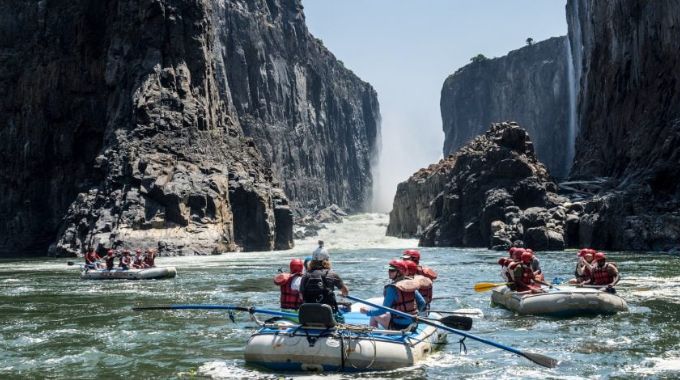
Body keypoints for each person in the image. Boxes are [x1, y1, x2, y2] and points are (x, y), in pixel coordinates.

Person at [360, 259, 426, 330]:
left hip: (398, 326)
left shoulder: (392, 288)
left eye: (392, 270)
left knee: (373, 315)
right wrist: (413, 314)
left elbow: (383, 310)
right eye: (389, 270)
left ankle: (373, 336)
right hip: (413, 323)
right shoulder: (410, 284)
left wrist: (367, 312)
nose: (389, 272)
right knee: (388, 314)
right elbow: (422, 303)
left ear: (399, 272)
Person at [299, 256, 349, 322]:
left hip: (309, 315)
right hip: (328, 315)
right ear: (327, 262)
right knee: (341, 318)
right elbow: (345, 291)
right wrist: (343, 294)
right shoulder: (332, 274)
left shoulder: (305, 275)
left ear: (312, 263)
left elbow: (301, 296)